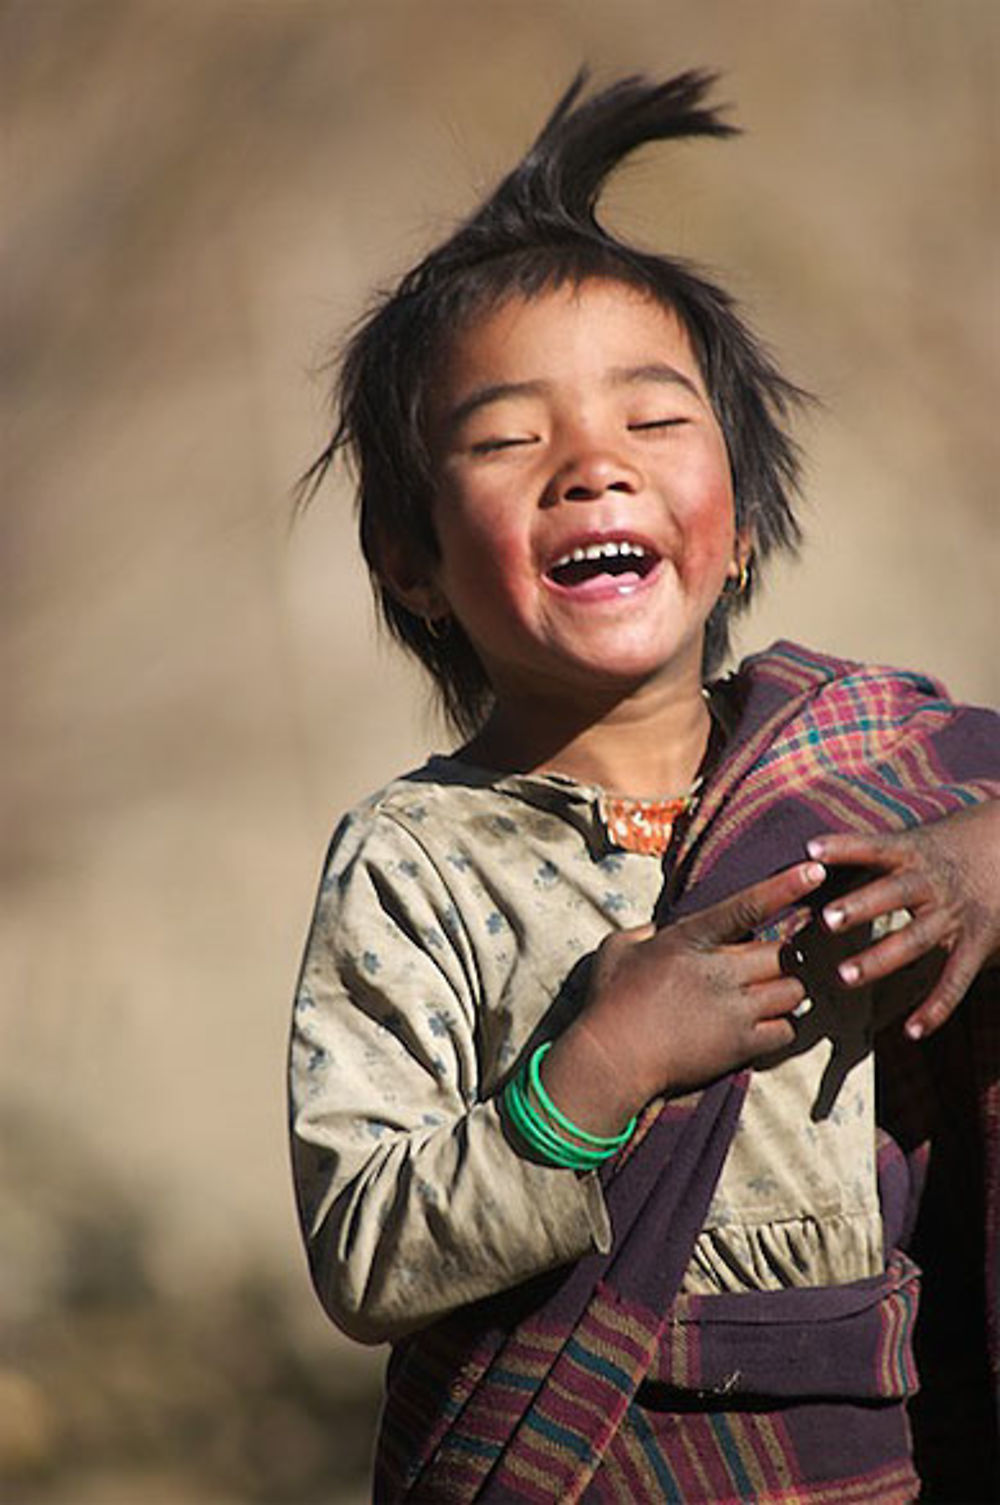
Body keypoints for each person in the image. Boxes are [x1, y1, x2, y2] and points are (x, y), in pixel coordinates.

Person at [288, 73, 1000, 1502]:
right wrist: (593, 1078)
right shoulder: (415, 860)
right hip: (578, 1458)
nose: (590, 464)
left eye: (654, 421)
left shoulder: (871, 768)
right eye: (505, 439)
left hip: (875, 1456)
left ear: (741, 522)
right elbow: (366, 1249)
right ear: (407, 557)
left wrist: (991, 858)